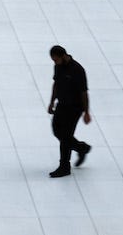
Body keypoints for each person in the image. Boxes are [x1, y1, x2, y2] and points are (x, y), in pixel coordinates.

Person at [44, 45, 92, 177]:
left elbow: (84, 92)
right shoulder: (58, 66)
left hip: (75, 108)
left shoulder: (77, 70)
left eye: (55, 59)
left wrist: (86, 112)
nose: (54, 62)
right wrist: (52, 101)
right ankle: (81, 148)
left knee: (65, 136)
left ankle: (64, 166)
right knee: (57, 130)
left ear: (63, 56)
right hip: (62, 104)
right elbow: (56, 84)